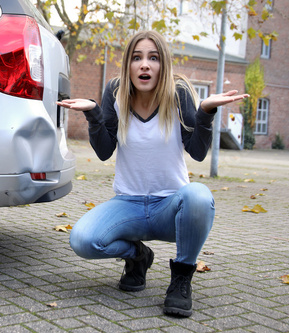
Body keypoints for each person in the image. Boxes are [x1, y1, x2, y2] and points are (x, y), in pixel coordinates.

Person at [57, 30, 248, 317]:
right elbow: (104, 151)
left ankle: (181, 277)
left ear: (163, 65)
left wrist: (205, 112)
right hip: (128, 206)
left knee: (198, 195)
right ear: (128, 65)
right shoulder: (115, 92)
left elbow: (197, 152)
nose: (144, 65)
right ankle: (138, 256)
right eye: (137, 58)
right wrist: (94, 113)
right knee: (83, 240)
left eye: (153, 58)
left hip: (170, 209)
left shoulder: (178, 92)